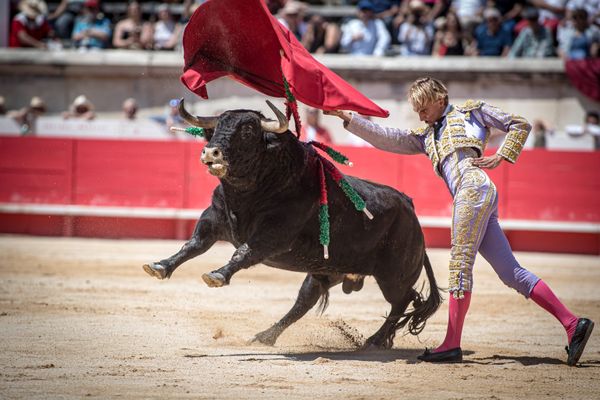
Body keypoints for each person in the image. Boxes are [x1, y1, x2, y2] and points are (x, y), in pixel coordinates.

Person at [325, 77, 594, 365]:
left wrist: (501, 155)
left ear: (440, 98)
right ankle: (572, 324)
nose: (421, 115)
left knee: (460, 264)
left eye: (424, 108)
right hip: (476, 193)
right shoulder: (425, 135)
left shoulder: (471, 111)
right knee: (510, 272)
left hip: (472, 189)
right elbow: (388, 137)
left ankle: (451, 344)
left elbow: (519, 123)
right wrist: (348, 117)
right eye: (417, 111)